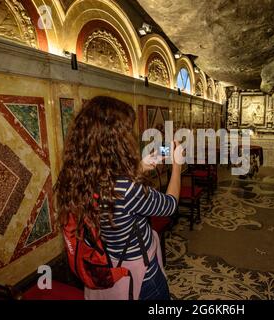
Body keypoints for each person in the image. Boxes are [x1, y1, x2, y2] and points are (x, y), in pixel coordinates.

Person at [54, 96, 183, 300]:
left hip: (107, 259)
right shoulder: (125, 187)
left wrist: (139, 166)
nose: (130, 137)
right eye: (126, 132)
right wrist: (177, 166)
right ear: (113, 141)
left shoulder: (77, 175)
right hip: (139, 272)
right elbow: (170, 206)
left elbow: (109, 192)